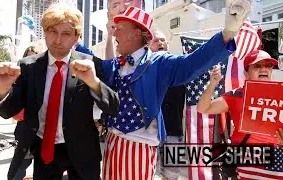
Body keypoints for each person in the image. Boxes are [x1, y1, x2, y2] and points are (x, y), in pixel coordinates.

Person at [96, 0, 251, 178]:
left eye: (119, 28)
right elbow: (95, 67)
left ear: (136, 33)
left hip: (138, 146)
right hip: (112, 142)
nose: (114, 33)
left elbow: (192, 63)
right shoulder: (117, 64)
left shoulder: (159, 62)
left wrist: (227, 34)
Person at [0, 3, 119, 180]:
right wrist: (3, 89)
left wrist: (93, 82)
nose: (58, 40)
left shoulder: (92, 64)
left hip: (83, 151)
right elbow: (9, 112)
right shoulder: (28, 66)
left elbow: (113, 107)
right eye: (52, 31)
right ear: (44, 32)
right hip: (45, 151)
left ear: (76, 37)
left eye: (66, 33)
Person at [197, 49, 283, 179]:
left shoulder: (280, 94)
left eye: (268, 65)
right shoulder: (236, 95)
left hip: (277, 158)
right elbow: (203, 108)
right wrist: (212, 84)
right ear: (246, 73)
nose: (264, 69)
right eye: (257, 66)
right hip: (246, 159)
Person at [149, 30, 186, 180]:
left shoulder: (179, 66)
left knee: (172, 176)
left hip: (175, 133)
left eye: (163, 40)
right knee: (151, 175)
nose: (160, 43)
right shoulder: (143, 69)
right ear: (149, 46)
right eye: (156, 41)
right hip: (150, 133)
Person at [12, 46, 39, 180]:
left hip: (43, 131)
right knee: (18, 169)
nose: (30, 61)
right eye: (28, 57)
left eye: (34, 57)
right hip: (24, 128)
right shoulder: (18, 81)